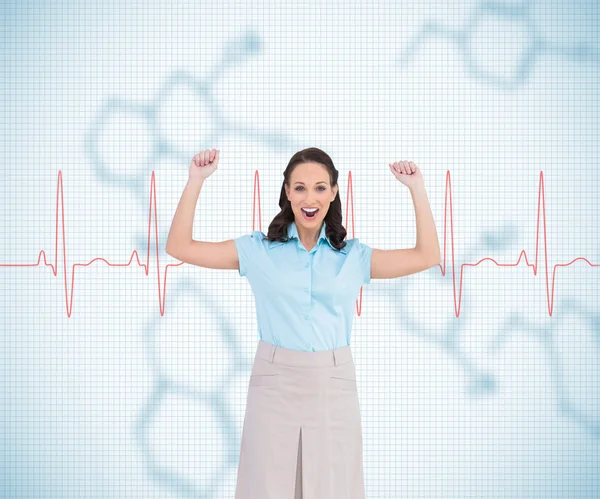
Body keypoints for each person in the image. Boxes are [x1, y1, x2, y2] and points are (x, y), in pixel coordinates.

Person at [166, 147, 441, 498]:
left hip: (333, 384)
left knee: (333, 487)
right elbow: (179, 246)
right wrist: (196, 180)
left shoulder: (353, 256)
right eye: (299, 188)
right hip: (274, 384)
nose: (309, 198)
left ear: (334, 192)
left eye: (320, 188)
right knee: (266, 487)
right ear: (287, 192)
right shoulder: (258, 250)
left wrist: (416, 188)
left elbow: (427, 255)